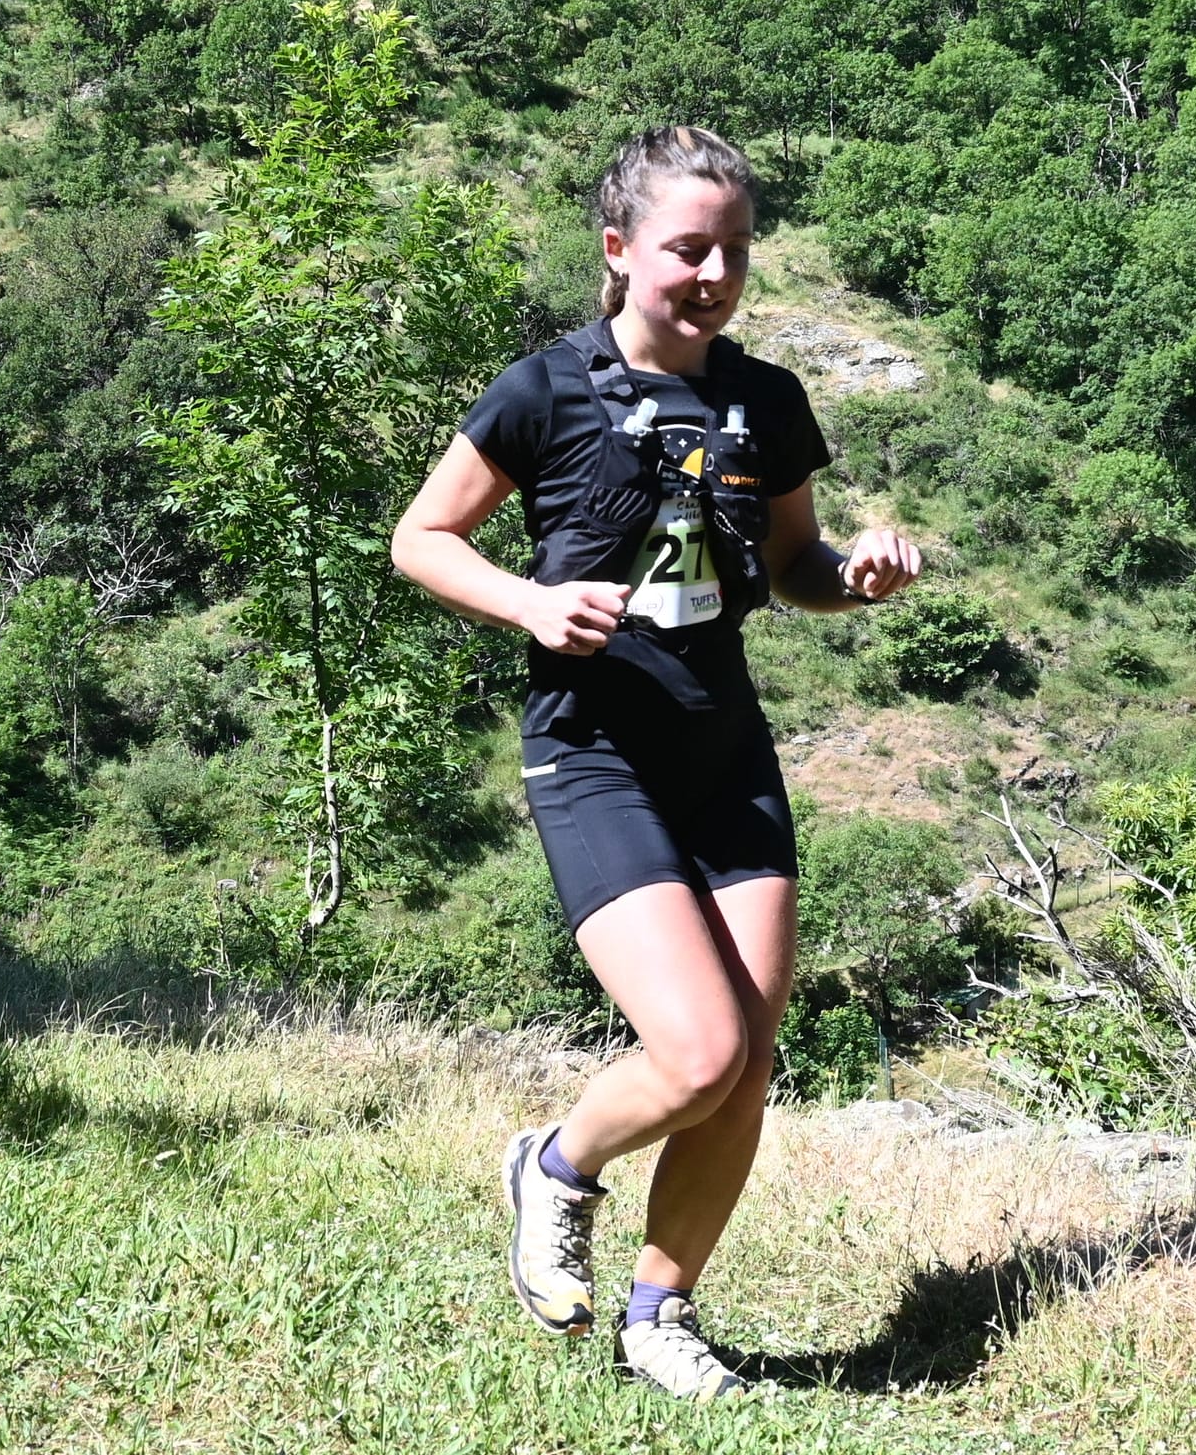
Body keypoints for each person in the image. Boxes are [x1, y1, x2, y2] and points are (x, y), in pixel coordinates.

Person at [391, 124, 923, 1401]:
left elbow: (794, 571)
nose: (713, 273)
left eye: (732, 250)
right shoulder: (540, 391)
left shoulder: (767, 400)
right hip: (593, 752)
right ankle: (557, 1165)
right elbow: (419, 538)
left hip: (723, 748)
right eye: (688, 247)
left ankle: (659, 1314)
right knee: (693, 1054)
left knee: (749, 1049)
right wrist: (524, 601)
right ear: (620, 247)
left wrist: (854, 576)